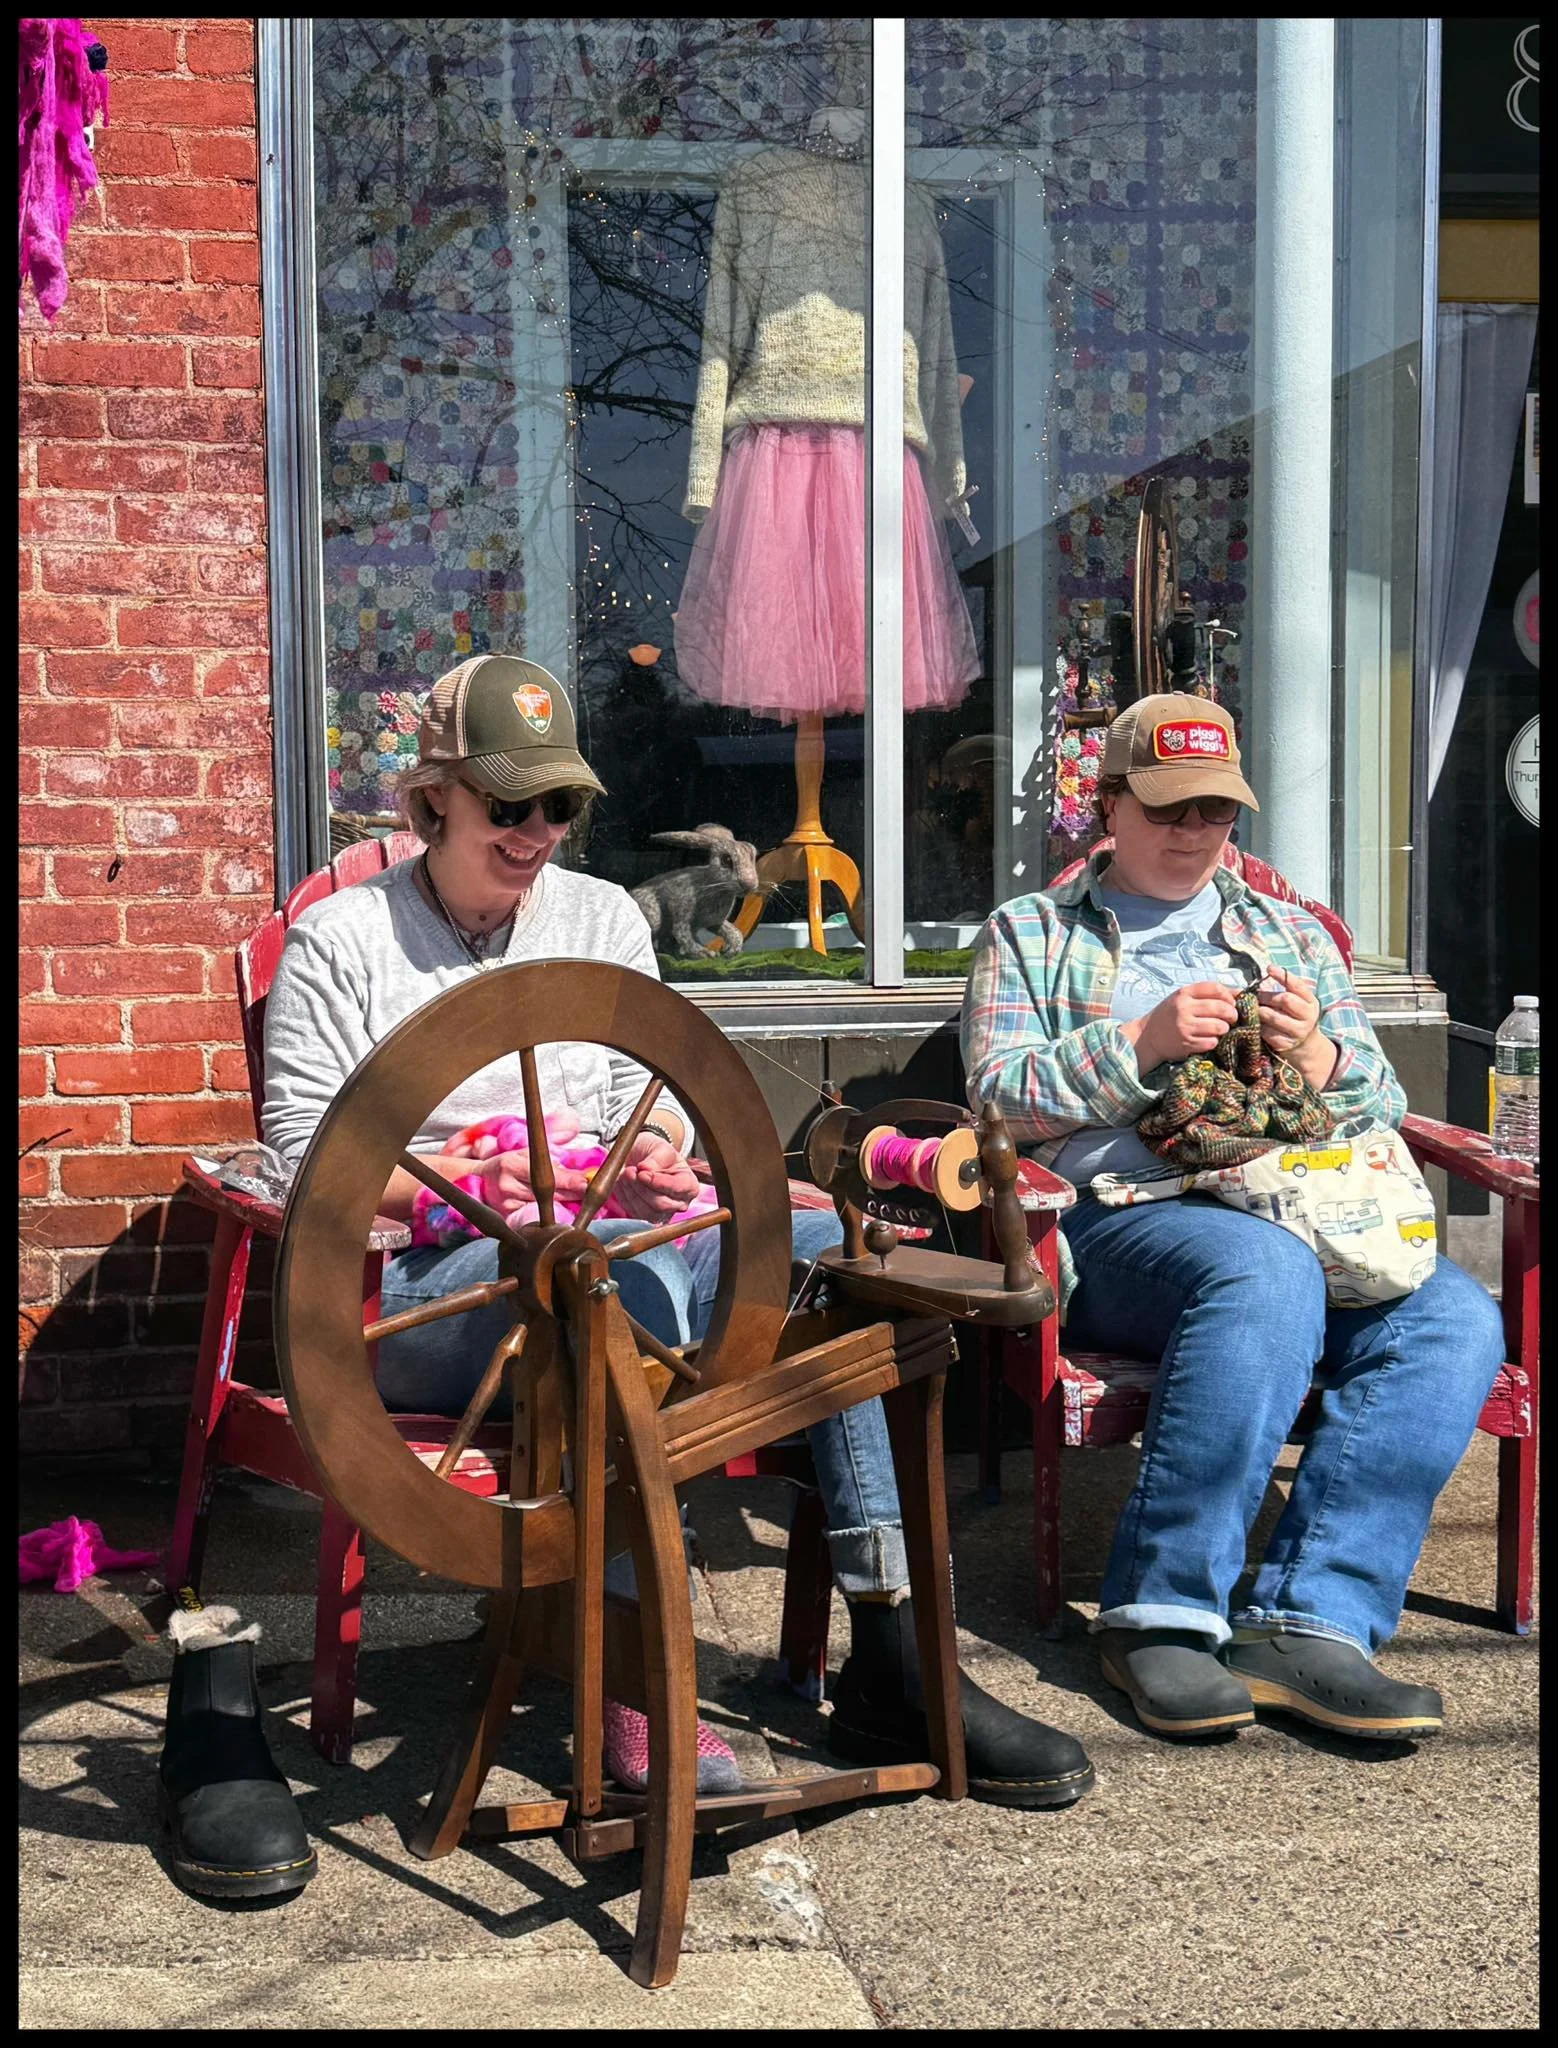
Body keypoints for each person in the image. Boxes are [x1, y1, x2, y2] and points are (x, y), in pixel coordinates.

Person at [157, 654, 1093, 1902]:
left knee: (843, 1269)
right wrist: (467, 1183)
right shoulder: (340, 938)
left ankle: (891, 1652)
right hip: (426, 1285)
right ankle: (624, 1691)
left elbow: (633, 1105)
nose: (538, 834)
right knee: (598, 1304)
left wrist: (654, 1152)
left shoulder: (600, 919)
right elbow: (305, 1153)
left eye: (559, 808)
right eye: (509, 807)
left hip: (610, 1239)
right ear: (432, 798)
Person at [961, 692, 1506, 1742]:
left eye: (1213, 812)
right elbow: (996, 1100)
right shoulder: (1027, 932)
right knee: (1260, 1271)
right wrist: (1142, 1041)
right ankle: (1158, 1607)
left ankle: (1311, 1616)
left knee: (1450, 1317)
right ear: (1106, 805)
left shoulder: (1286, 931)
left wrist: (1320, 1057)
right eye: (1166, 809)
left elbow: (1378, 1101)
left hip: (1298, 1208)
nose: (1191, 832)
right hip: (1115, 1221)